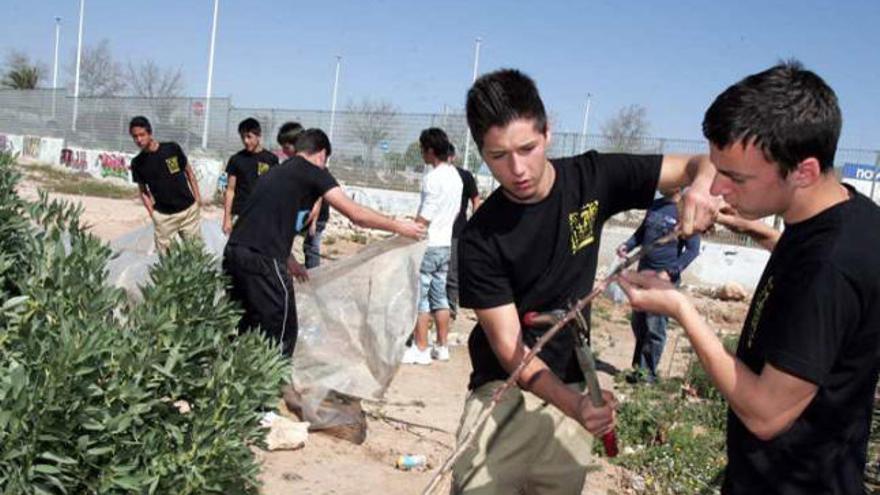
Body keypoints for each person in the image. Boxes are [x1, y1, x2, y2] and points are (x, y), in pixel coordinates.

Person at [618, 61, 880, 494]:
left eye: (736, 177)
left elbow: (765, 414)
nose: (717, 188)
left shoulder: (830, 267)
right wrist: (758, 230)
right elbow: (815, 276)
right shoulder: (844, 217)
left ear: (804, 171)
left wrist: (682, 308)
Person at [451, 68, 717, 494]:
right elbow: (509, 348)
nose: (517, 168)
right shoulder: (480, 237)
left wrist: (700, 188)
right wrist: (573, 405)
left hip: (576, 385)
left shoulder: (592, 177)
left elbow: (697, 163)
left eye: (527, 148)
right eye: (498, 156)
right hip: (503, 395)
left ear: (548, 133)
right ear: (481, 153)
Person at [223, 128, 424, 356]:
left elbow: (265, 222)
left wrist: (290, 261)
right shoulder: (314, 172)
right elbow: (356, 214)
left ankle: (233, 382)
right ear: (321, 154)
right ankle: (274, 387)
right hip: (263, 261)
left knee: (243, 325)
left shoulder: (276, 172)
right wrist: (399, 226)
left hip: (233, 253)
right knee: (282, 330)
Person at [616, 188, 701, 383]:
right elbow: (641, 233)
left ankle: (648, 376)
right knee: (638, 324)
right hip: (642, 275)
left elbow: (692, 250)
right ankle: (638, 370)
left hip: (663, 282)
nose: (662, 182)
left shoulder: (685, 211)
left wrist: (670, 271)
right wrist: (627, 245)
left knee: (654, 328)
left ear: (679, 184)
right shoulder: (656, 205)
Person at [401, 128, 463, 365]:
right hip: (445, 243)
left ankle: (421, 348)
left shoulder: (433, 178)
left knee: (421, 297)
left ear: (430, 150)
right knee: (441, 296)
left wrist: (408, 229)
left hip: (428, 244)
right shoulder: (455, 177)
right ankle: (443, 346)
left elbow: (425, 216)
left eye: (422, 150)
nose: (421, 155)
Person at [129, 115, 202, 253]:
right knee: (166, 260)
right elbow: (143, 191)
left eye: (142, 135)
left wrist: (197, 199)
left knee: (196, 255)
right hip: (164, 217)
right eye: (135, 136)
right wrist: (153, 214)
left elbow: (189, 173)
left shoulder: (171, 149)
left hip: (188, 212)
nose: (139, 139)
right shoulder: (137, 163)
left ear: (150, 133)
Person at [222, 118, 280, 236]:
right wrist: (227, 218)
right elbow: (230, 190)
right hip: (239, 213)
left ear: (258, 136)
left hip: (262, 214)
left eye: (249, 137)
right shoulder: (236, 159)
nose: (246, 141)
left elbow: (275, 189)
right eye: (243, 137)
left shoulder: (271, 159)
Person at [446, 143, 481, 319]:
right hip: (437, 230)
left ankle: (451, 309)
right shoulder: (436, 176)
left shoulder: (464, 176)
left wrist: (475, 223)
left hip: (456, 231)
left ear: (452, 157)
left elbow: (476, 199)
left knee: (452, 272)